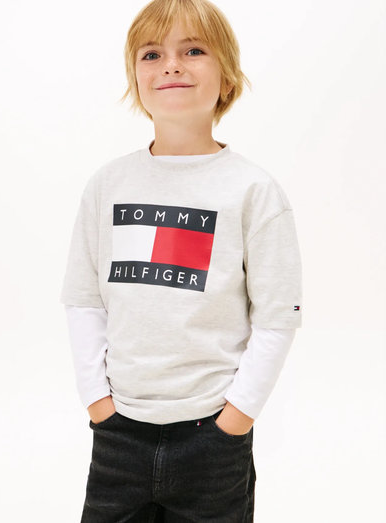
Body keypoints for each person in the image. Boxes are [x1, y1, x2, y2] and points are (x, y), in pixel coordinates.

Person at [60, 0, 303, 521]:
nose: (171, 65)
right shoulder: (107, 184)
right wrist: (98, 404)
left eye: (193, 50)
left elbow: (277, 317)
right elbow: (83, 299)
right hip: (119, 434)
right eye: (152, 54)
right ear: (135, 78)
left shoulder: (252, 190)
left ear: (227, 75)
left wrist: (236, 419)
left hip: (212, 438)